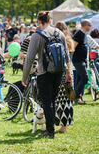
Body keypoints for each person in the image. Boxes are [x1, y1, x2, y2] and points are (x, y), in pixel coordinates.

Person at [22, 11, 71, 139]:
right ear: (49, 20)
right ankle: (51, 127)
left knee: (46, 102)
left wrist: (25, 77)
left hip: (44, 72)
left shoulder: (37, 36)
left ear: (39, 21)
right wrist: (68, 72)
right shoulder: (59, 33)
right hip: (59, 71)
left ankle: (50, 131)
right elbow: (66, 54)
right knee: (52, 101)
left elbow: (29, 58)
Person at [54, 21, 74, 133]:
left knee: (62, 100)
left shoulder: (60, 41)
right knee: (69, 99)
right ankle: (66, 124)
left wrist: (67, 72)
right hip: (71, 72)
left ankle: (63, 126)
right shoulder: (69, 40)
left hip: (65, 72)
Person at [72, 19, 92, 104]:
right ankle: (75, 96)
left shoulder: (84, 34)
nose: (90, 27)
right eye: (89, 25)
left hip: (82, 60)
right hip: (78, 60)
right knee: (85, 78)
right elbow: (73, 47)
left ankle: (77, 98)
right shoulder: (79, 34)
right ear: (85, 25)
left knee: (80, 79)